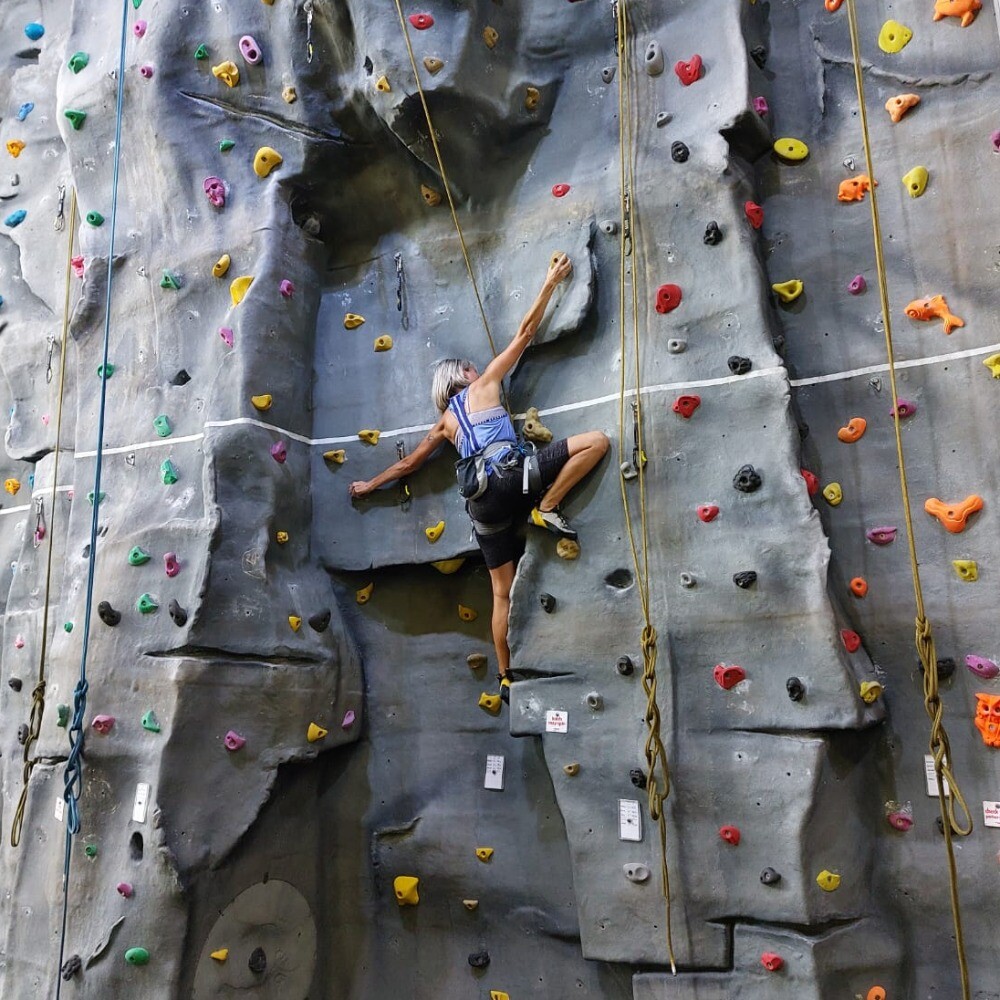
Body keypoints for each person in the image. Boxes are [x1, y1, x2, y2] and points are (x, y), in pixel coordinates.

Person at [349, 253, 610, 705]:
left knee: (500, 591)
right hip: (512, 478)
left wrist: (368, 486)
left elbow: (409, 465)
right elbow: (526, 333)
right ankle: (547, 509)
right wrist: (550, 280)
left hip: (481, 505)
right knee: (597, 442)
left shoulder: (444, 426)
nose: (477, 369)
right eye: (470, 367)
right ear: (463, 376)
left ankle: (506, 676)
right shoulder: (486, 383)